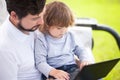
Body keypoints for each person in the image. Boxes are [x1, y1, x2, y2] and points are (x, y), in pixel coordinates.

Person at [34, 1, 95, 80]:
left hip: (72, 68)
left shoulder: (70, 35)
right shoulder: (42, 40)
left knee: (91, 76)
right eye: (59, 28)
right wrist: (53, 72)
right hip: (53, 72)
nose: (63, 31)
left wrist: (84, 60)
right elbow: (40, 63)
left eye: (66, 27)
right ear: (47, 24)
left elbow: (81, 50)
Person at [0, 0, 46, 80]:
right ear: (14, 16)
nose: (42, 22)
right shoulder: (5, 50)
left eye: (43, 15)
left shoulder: (30, 25)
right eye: (35, 18)